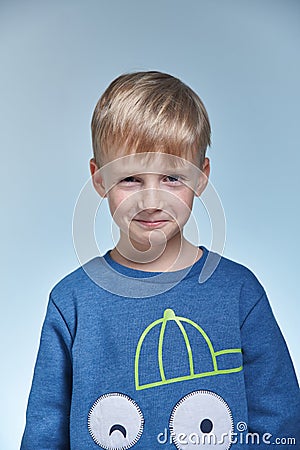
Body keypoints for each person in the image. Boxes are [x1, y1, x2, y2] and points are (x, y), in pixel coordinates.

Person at [21, 71, 299, 449]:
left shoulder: (238, 292)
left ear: (201, 178)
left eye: (172, 178)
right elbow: (44, 432)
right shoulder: (72, 301)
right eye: (131, 179)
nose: (151, 201)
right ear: (99, 180)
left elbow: (280, 420)